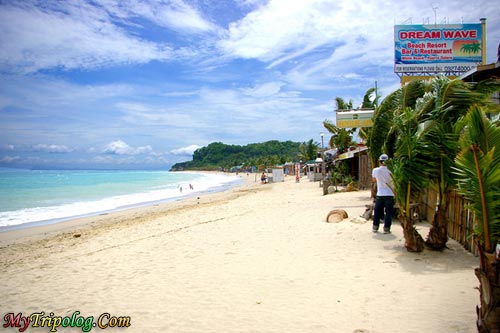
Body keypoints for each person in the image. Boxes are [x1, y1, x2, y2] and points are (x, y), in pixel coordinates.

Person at [372, 154, 395, 233]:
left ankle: (375, 227)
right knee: (388, 212)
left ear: (380, 161)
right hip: (390, 194)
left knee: (377, 211)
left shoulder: (375, 170)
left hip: (380, 194)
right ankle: (386, 228)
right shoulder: (391, 170)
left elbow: (374, 180)